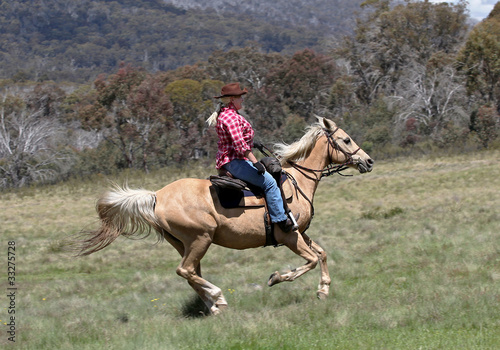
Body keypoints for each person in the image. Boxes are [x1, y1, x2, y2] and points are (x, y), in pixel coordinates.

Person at [207, 82, 297, 233]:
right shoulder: (230, 117)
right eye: (240, 97)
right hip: (234, 161)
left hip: (234, 158)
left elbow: (236, 140)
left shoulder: (230, 114)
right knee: (269, 183)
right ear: (231, 100)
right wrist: (256, 163)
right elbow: (239, 146)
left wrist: (252, 143)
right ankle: (280, 220)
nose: (242, 100)